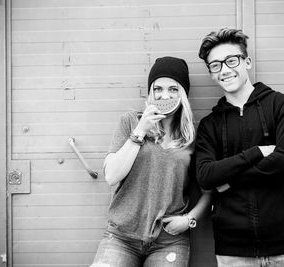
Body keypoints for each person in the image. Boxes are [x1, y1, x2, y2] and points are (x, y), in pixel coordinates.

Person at [195, 28, 284, 266]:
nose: (224, 69)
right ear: (211, 74)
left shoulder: (280, 105)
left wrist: (229, 180)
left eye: (231, 60)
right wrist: (257, 152)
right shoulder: (209, 125)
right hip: (232, 251)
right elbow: (205, 176)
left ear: (246, 61)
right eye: (215, 65)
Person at [91, 56, 212, 267]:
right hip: (121, 238)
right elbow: (111, 176)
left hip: (169, 240)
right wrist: (140, 131)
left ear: (183, 94)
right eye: (158, 89)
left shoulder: (194, 136)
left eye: (173, 89)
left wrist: (189, 220)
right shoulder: (131, 121)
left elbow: (209, 191)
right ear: (150, 92)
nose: (165, 95)